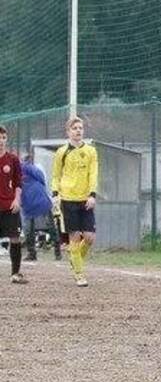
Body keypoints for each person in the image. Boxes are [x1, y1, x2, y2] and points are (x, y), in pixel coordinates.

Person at [52, 117, 99, 287]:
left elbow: (93, 173)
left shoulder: (91, 151)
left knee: (89, 237)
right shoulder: (61, 152)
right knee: (74, 236)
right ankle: (79, 274)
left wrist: (92, 194)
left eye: (80, 128)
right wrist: (55, 194)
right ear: (68, 132)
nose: (78, 131)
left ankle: (74, 257)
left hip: (85, 198)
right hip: (67, 198)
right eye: (75, 128)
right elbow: (56, 175)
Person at [21, 152, 60, 262]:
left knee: (50, 226)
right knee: (28, 229)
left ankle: (57, 251)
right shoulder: (13, 173)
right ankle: (32, 253)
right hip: (27, 204)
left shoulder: (27, 167)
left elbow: (41, 178)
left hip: (40, 200)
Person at [0, 127, 25, 283]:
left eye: (3, 137)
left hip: (9, 206)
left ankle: (15, 273)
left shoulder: (13, 159)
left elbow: (18, 182)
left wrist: (17, 200)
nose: (1, 141)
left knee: (15, 238)